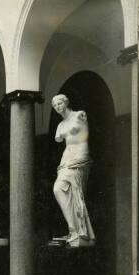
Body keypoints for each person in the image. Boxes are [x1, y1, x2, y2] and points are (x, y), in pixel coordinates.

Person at [52, 94, 95, 247]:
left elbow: (84, 135)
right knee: (58, 189)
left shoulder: (79, 115)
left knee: (77, 194)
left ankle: (81, 233)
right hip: (66, 159)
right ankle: (74, 229)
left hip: (80, 157)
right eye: (55, 105)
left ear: (66, 102)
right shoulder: (60, 125)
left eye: (59, 103)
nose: (57, 106)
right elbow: (58, 138)